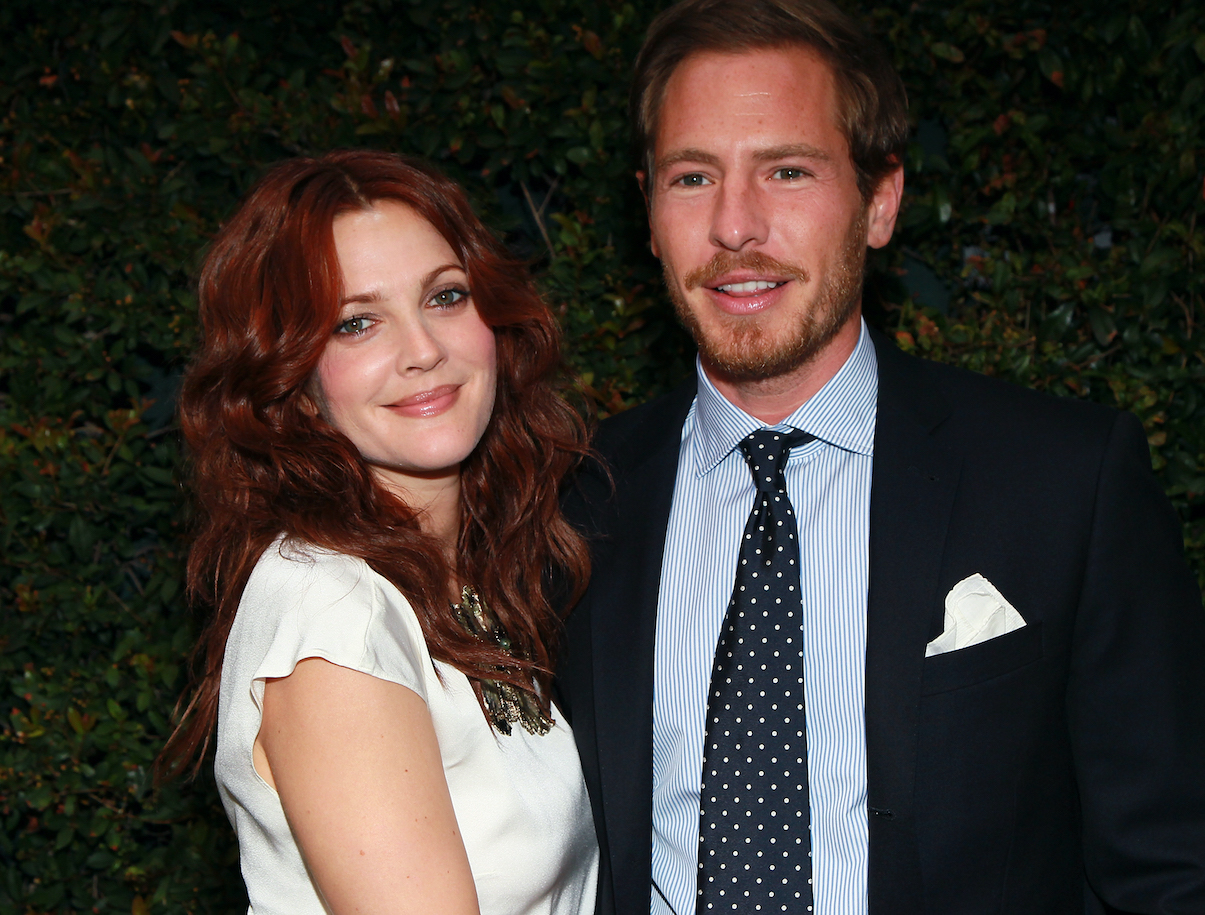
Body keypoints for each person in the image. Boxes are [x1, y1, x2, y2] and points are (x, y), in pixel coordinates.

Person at [557, 1, 1205, 913]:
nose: (735, 226)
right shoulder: (572, 498)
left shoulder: (1063, 483)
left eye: (786, 170)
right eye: (692, 176)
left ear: (880, 200)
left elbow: (1170, 864)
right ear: (650, 213)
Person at [160, 150, 598, 914]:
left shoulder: (460, 580)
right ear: (292, 376)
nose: (423, 350)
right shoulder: (334, 614)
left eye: (445, 296)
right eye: (357, 322)